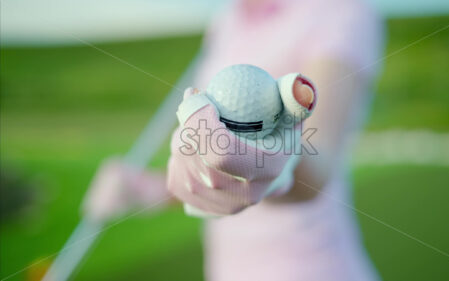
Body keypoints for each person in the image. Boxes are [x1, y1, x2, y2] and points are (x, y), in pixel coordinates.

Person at [83, 0, 384, 280]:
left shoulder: (339, 9)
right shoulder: (227, 22)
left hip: (307, 268)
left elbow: (318, 160)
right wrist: (146, 188)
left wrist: (277, 169)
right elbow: (219, 166)